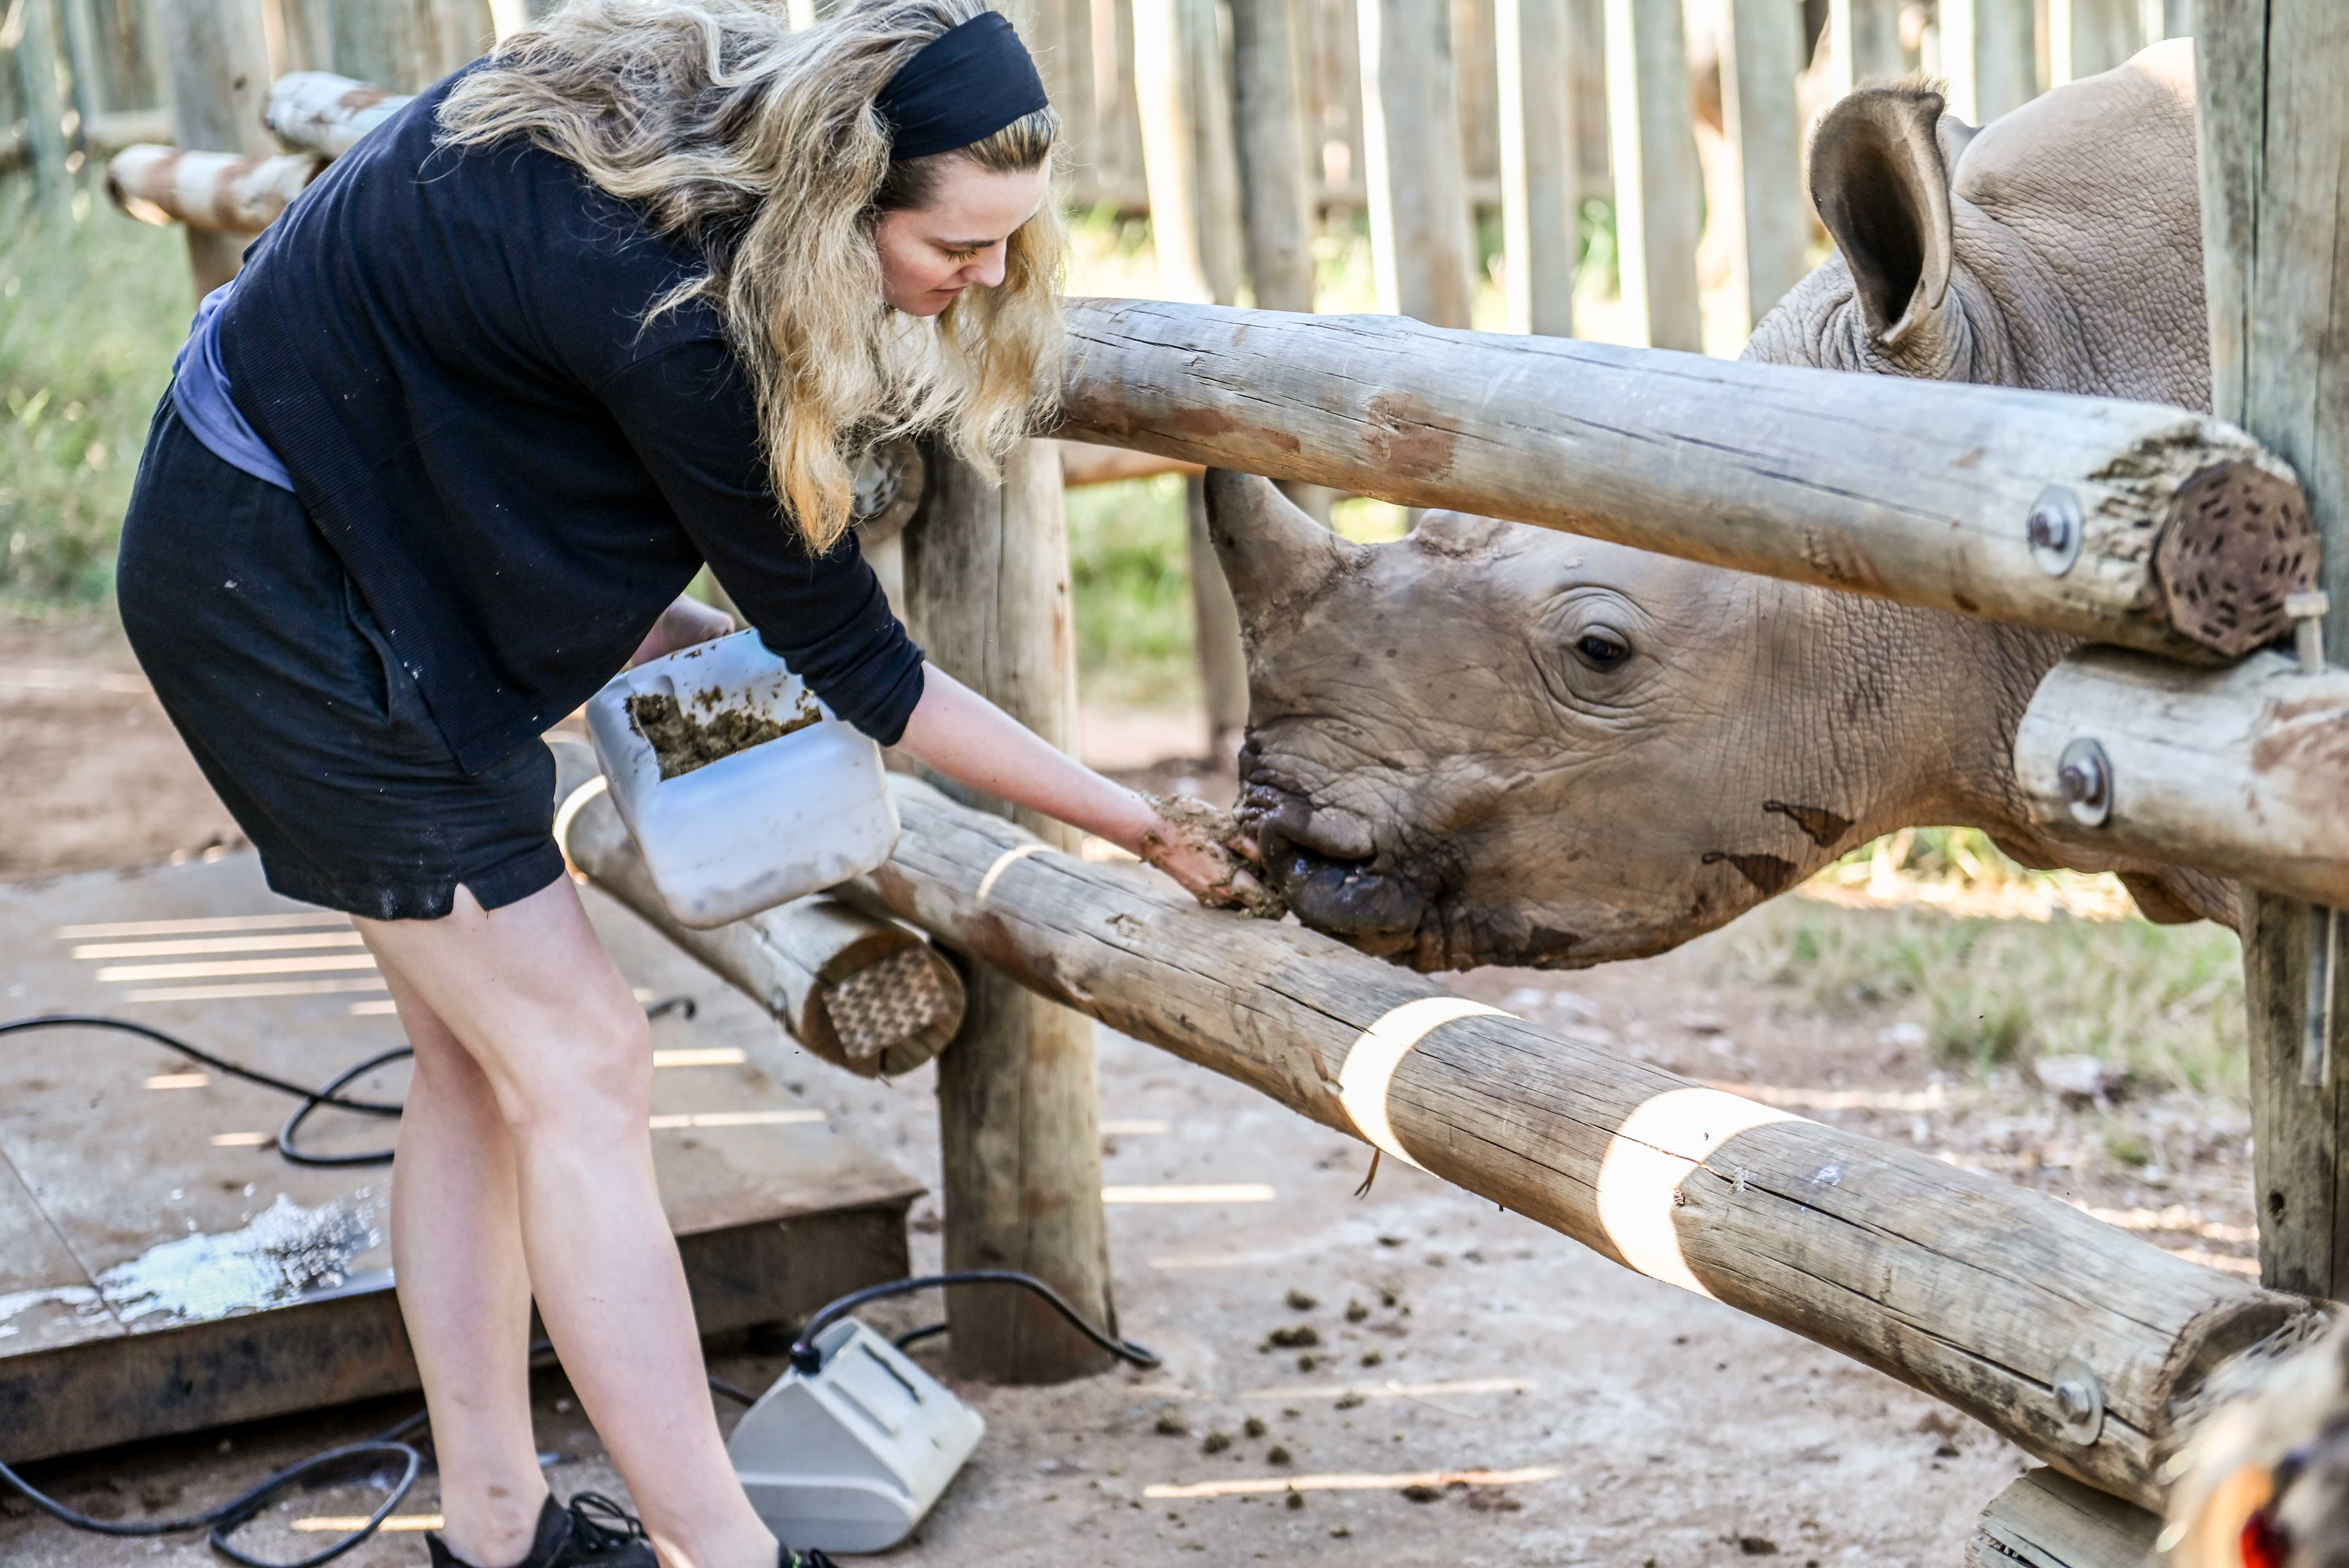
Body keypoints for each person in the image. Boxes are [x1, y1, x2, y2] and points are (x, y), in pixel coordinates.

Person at [114, 4, 1265, 1565]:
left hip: (291, 532)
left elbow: (469, 382)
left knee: (483, 1067)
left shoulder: (676, 128)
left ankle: (501, 1528)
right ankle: (714, 1546)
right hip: (290, 601)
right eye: (960, 243)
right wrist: (1137, 820)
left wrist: (622, 611)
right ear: (841, 193)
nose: (984, 278)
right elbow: (872, 673)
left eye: (1011, 245)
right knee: (583, 1066)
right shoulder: (684, 321)